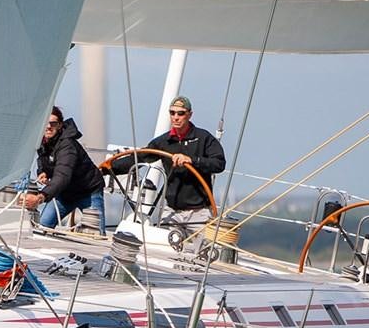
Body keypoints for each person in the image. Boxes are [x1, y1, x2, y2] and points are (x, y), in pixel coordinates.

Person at [108, 96, 226, 224]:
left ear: (190, 115)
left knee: (204, 244)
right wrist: (106, 169)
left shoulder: (203, 138)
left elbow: (219, 164)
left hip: (200, 213)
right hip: (171, 212)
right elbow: (139, 158)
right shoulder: (164, 142)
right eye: (172, 113)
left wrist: (192, 160)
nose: (175, 117)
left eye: (180, 113)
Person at [28, 106, 106, 234]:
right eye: (45, 123)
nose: (48, 127)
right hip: (65, 193)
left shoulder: (67, 146)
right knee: (42, 227)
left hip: (88, 191)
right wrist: (42, 172)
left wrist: (41, 197)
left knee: (97, 235)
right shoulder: (43, 142)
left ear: (60, 126)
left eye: (53, 123)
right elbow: (43, 160)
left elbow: (63, 176)